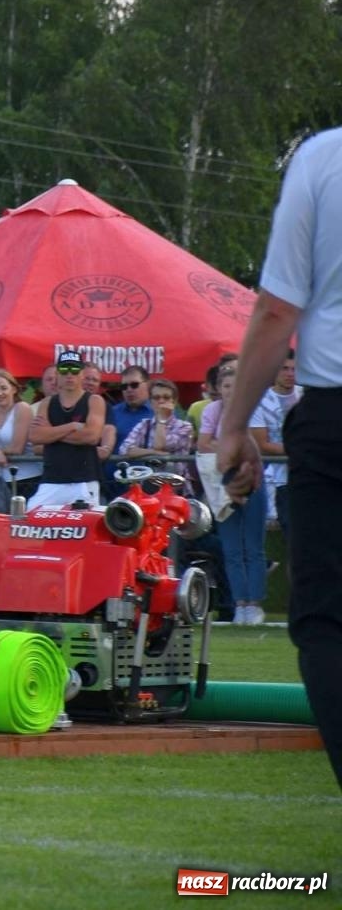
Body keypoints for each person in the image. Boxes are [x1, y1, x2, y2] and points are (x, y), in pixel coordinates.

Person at [217, 125, 342, 789]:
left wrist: (234, 425)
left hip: (335, 412)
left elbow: (276, 311)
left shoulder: (323, 158)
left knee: (327, 618)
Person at [199, 364, 267, 625]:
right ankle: (240, 604)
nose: (230, 391)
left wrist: (226, 448)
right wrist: (230, 450)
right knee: (232, 548)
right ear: (218, 388)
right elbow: (203, 443)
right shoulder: (211, 411)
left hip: (252, 477)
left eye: (235, 386)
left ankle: (255, 603)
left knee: (253, 546)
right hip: (222, 480)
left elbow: (255, 444)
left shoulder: (253, 409)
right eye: (226, 386)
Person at [27, 350, 105, 509]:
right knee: (32, 512)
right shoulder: (47, 403)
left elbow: (91, 437)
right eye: (64, 370)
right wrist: (72, 427)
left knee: (84, 523)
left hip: (84, 480)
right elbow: (36, 436)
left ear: (82, 374)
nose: (70, 375)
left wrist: (51, 432)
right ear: (57, 374)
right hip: (52, 478)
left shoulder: (94, 401)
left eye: (75, 370)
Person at [249, 350, 301, 536]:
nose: (290, 374)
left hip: (309, 474)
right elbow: (262, 445)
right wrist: (302, 451)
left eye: (294, 369)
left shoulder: (306, 396)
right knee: (291, 531)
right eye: (284, 368)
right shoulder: (260, 401)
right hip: (278, 478)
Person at [0, 369, 37, 508]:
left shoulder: (22, 408)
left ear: (14, 389)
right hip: (2, 479)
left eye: (4, 388)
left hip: (27, 478)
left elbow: (17, 448)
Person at [103, 366, 154, 499]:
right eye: (124, 386)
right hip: (112, 489)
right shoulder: (112, 412)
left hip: (148, 489)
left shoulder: (160, 413)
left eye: (134, 385)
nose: (129, 390)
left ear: (148, 385)